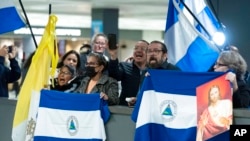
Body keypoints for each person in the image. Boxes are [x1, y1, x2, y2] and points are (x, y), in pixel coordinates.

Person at [108, 40, 149, 106]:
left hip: (145, 107)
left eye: (142, 49)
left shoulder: (153, 70)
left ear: (148, 53)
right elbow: (114, 75)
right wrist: (113, 56)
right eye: (136, 48)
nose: (138, 50)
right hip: (125, 108)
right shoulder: (124, 66)